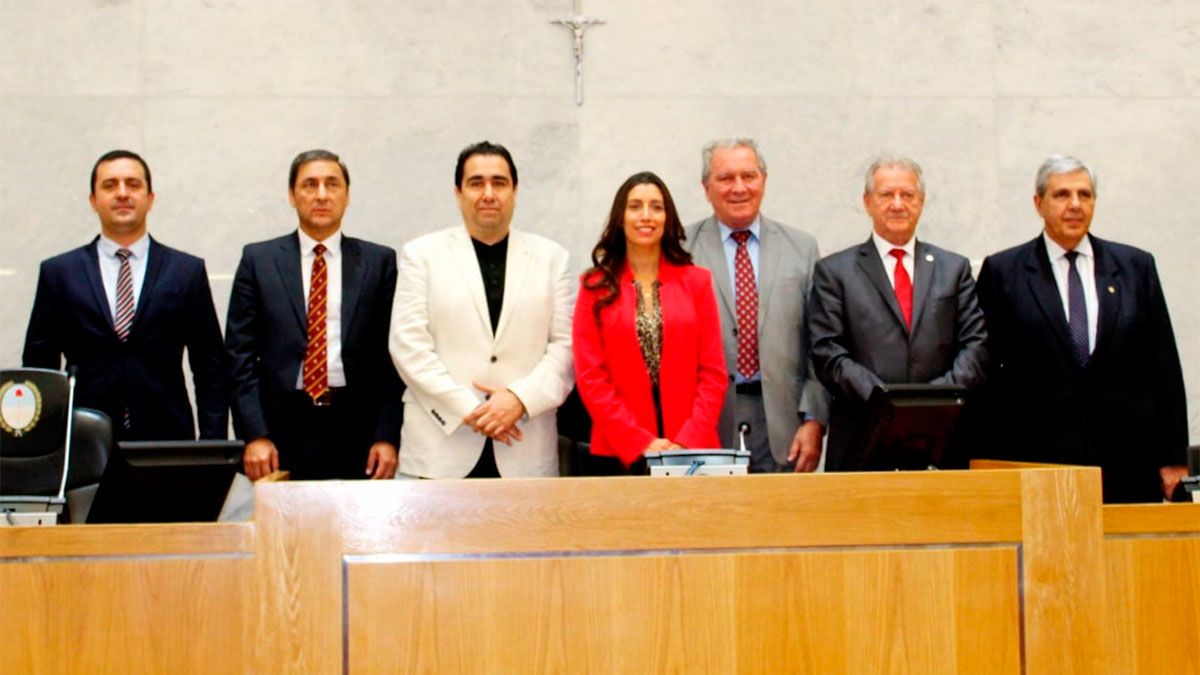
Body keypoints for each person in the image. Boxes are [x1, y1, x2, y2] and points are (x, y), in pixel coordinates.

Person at [972, 156, 1188, 502]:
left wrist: (1175, 457)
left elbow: (1163, 366)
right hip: (1038, 461)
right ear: (1038, 203)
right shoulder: (1004, 272)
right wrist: (982, 460)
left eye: (1084, 195)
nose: (1074, 204)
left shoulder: (1135, 267)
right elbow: (985, 374)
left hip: (1127, 459)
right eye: (1062, 195)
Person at [390, 141, 573, 478]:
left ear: (515, 190)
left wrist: (519, 399)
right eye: (476, 183)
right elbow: (408, 346)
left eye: (499, 183)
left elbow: (565, 347)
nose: (488, 194)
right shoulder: (422, 255)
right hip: (441, 448)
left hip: (525, 449)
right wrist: (471, 410)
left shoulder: (552, 258)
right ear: (458, 192)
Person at [23, 149, 226, 441]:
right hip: (84, 440)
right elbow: (40, 369)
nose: (122, 193)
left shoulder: (186, 271)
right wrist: (44, 446)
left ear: (150, 199)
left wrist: (213, 445)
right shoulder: (59, 273)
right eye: (110, 185)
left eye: (133, 184)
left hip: (168, 439)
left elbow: (210, 367)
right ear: (93, 201)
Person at [226, 149, 401, 480]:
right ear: (292, 195)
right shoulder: (259, 260)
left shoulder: (379, 262)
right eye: (310, 184)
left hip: (358, 430)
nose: (322, 195)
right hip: (280, 430)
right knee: (281, 516)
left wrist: (387, 435)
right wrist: (255, 434)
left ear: (347, 195)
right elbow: (239, 356)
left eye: (332, 184)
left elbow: (393, 358)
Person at [809, 157, 987, 471]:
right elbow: (828, 352)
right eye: (886, 195)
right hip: (862, 436)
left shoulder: (954, 269)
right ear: (867, 202)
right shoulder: (834, 272)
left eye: (907, 195)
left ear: (921, 202)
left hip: (940, 438)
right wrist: (885, 403)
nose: (897, 204)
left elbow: (976, 345)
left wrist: (933, 403)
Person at [685, 139, 830, 472]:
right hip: (705, 424)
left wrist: (814, 420)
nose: (739, 187)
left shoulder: (801, 248)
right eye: (725, 178)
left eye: (748, 176)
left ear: (763, 181)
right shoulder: (681, 248)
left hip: (785, 427)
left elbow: (820, 344)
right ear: (706, 188)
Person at [573, 171, 728, 471]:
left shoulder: (697, 282)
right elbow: (590, 377)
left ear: (667, 218)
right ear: (620, 218)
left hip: (691, 449)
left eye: (656, 207)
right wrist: (638, 441)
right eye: (635, 206)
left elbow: (713, 373)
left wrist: (687, 440)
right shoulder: (594, 286)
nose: (646, 216)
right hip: (618, 450)